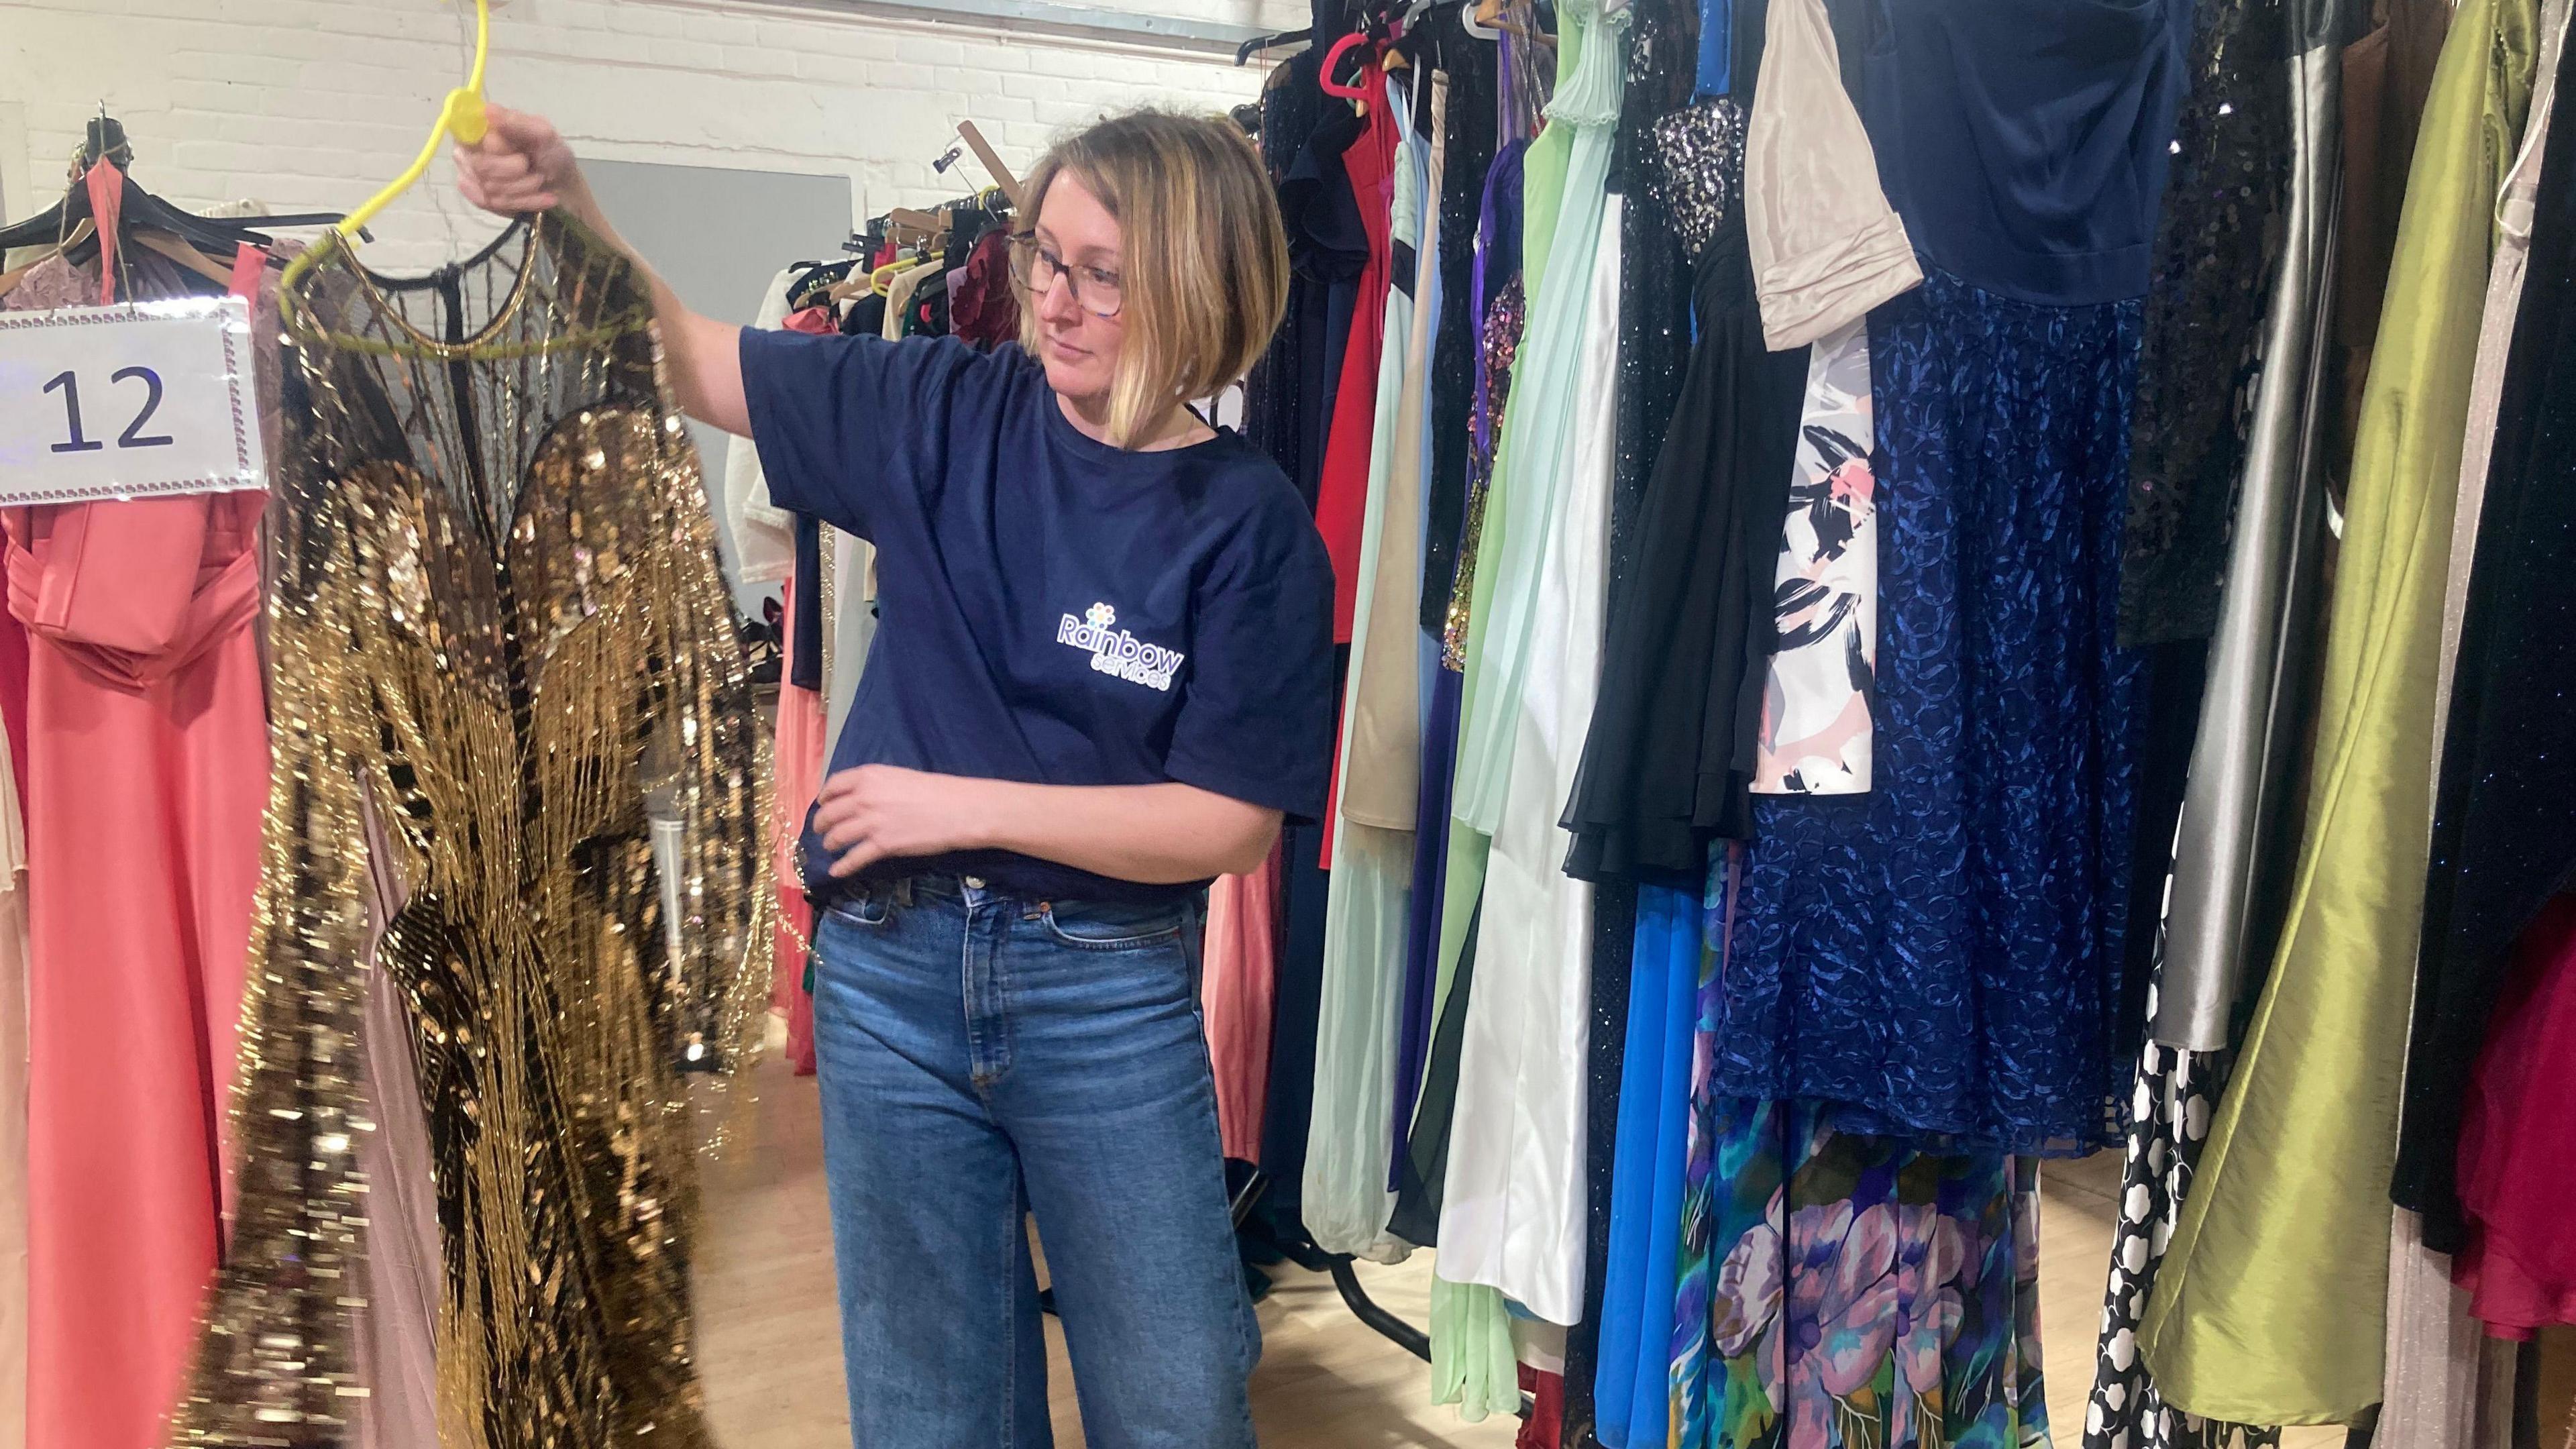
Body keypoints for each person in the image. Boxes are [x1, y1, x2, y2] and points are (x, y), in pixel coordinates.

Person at [459, 104, 1333, 1449]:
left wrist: (956, 804)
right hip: (890, 982)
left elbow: (1222, 825)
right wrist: (569, 199)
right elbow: (683, 355)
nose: (1057, 298)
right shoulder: (943, 406)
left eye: (1103, 273)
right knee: (935, 1412)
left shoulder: (1250, 526)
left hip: (1103, 990)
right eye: (1048, 256)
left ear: (1197, 286)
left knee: (1178, 1397)